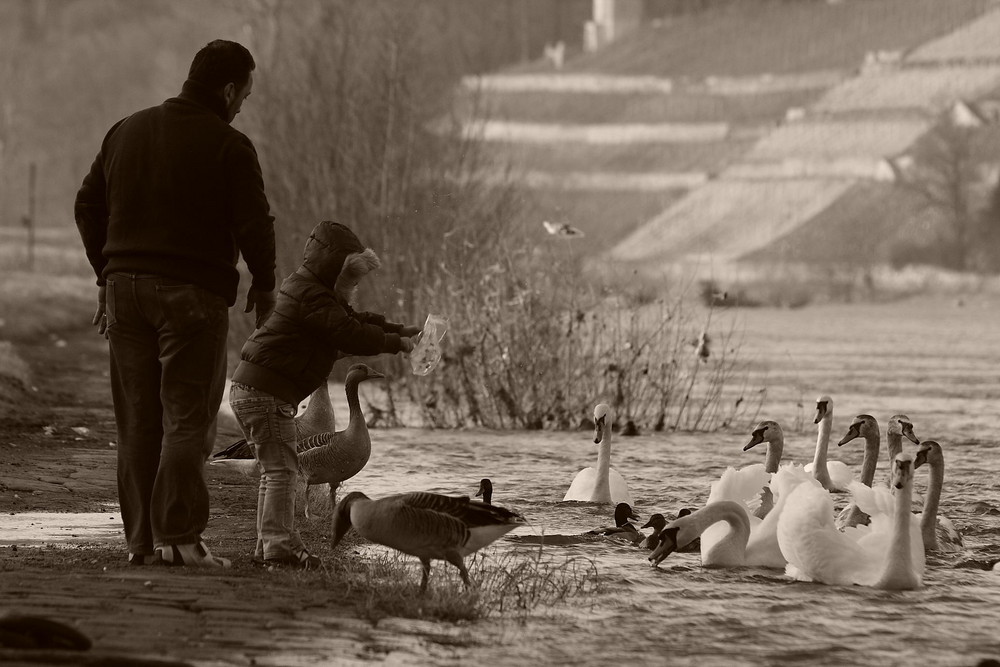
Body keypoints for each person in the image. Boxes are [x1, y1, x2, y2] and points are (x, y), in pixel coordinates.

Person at [74, 40, 277, 568]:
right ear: (228, 88)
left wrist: (107, 273)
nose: (242, 107)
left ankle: (143, 544)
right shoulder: (230, 146)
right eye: (244, 96)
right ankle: (182, 539)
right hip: (192, 297)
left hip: (124, 293)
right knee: (187, 420)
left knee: (138, 422)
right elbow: (255, 223)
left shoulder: (127, 129)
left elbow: (86, 205)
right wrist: (266, 283)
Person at [229, 220, 422, 570]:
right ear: (335, 270)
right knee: (283, 472)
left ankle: (267, 545)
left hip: (254, 390)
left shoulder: (310, 291)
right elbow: (348, 331)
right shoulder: (312, 297)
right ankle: (279, 547)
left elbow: (353, 319)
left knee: (277, 470)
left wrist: (397, 330)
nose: (354, 287)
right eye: (352, 279)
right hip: (264, 393)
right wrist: (396, 345)